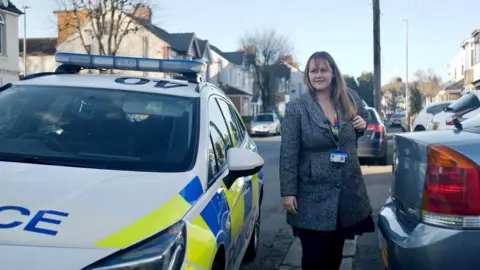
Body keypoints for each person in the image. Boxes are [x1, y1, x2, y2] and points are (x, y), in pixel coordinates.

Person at [279, 51, 375, 270]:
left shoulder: (349, 98)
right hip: (312, 193)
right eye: (313, 71)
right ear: (307, 75)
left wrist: (362, 125)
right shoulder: (297, 108)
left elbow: (363, 120)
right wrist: (288, 192)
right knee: (313, 259)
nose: (318, 75)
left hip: (345, 190)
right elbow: (288, 153)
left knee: (334, 257)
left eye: (323, 70)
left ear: (333, 72)